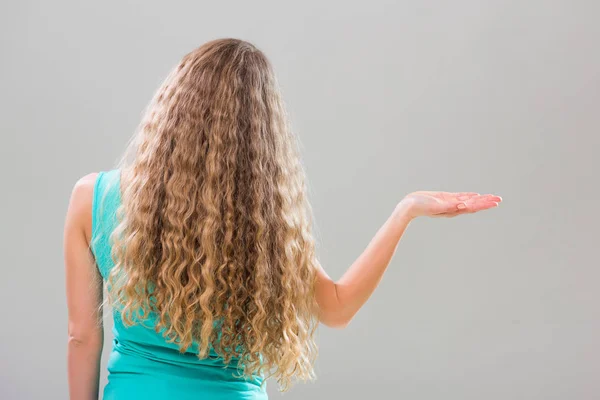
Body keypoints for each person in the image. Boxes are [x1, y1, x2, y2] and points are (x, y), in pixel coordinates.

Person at [63, 38, 502, 400]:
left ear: (172, 109)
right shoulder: (263, 221)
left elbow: (83, 337)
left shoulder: (93, 197)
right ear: (261, 130)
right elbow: (336, 308)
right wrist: (404, 212)